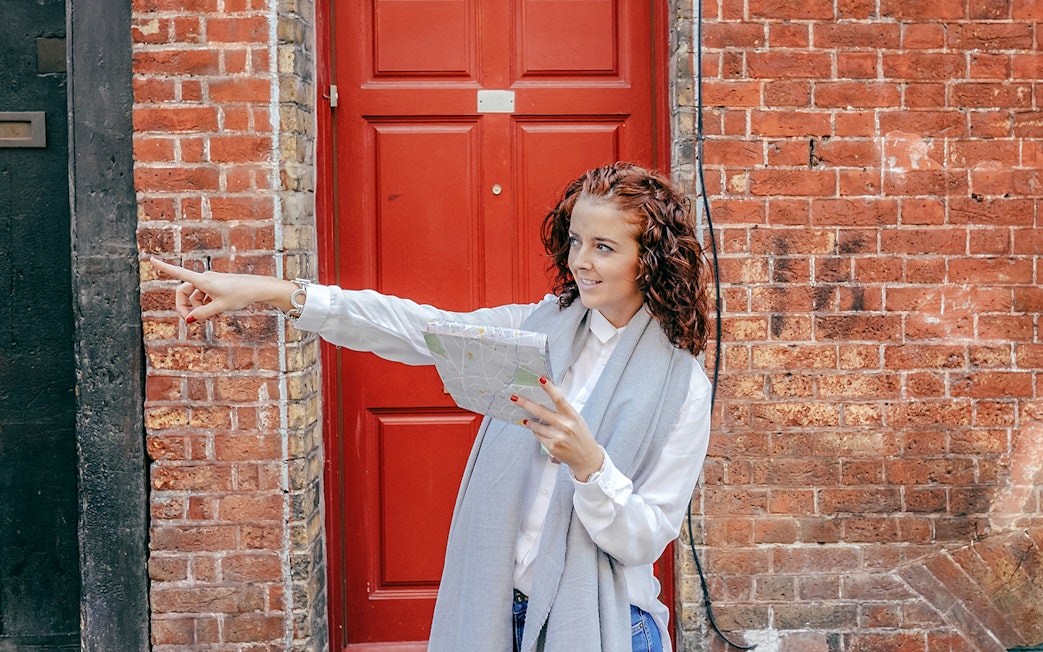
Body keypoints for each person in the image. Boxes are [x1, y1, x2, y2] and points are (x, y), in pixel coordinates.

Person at [151, 161, 713, 652]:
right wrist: (274, 293)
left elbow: (647, 535)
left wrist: (590, 468)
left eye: (604, 247)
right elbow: (419, 329)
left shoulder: (682, 388)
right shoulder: (535, 332)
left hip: (608, 626)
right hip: (497, 613)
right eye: (575, 241)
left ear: (650, 260)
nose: (581, 261)